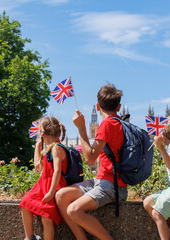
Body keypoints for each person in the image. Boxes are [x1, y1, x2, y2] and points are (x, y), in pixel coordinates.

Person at [55, 84, 127, 240]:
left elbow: (89, 159)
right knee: (61, 196)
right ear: (119, 106)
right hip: (102, 181)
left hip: (112, 186)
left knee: (73, 210)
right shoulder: (120, 123)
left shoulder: (108, 124)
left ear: (97, 106)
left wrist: (81, 128)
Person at [20, 116, 68, 240]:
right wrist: (37, 147)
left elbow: (57, 170)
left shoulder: (56, 148)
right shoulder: (49, 148)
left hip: (53, 185)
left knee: (46, 217)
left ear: (43, 134)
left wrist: (51, 192)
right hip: (43, 185)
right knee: (25, 203)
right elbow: (38, 166)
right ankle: (29, 237)